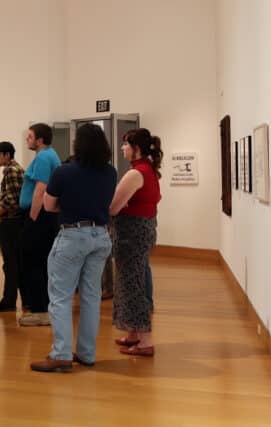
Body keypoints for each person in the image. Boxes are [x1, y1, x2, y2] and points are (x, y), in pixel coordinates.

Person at [30, 124, 116, 372]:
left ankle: (61, 354)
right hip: (101, 235)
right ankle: (87, 353)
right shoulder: (110, 172)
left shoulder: (63, 172)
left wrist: (69, 208)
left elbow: (49, 205)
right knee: (91, 297)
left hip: (72, 235)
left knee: (60, 296)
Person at [109, 128, 162, 357]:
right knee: (128, 283)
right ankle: (133, 334)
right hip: (139, 231)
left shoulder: (135, 173)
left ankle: (145, 340)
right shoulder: (146, 170)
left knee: (132, 285)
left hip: (132, 233)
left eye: (126, 144)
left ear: (137, 148)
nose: (122, 148)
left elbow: (113, 206)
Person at [18, 123, 61, 326]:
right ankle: (42, 307)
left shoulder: (44, 157)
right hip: (45, 216)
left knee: (33, 261)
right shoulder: (49, 155)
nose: (28, 139)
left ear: (40, 140)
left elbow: (40, 189)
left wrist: (32, 217)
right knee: (41, 262)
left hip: (40, 216)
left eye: (30, 136)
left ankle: (40, 310)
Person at [0, 141, 25, 312]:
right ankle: (24, 300)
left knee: (10, 264)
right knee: (16, 263)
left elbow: (11, 199)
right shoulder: (16, 169)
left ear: (7, 155)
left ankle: (9, 300)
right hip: (15, 223)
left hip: (10, 223)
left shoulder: (11, 170)